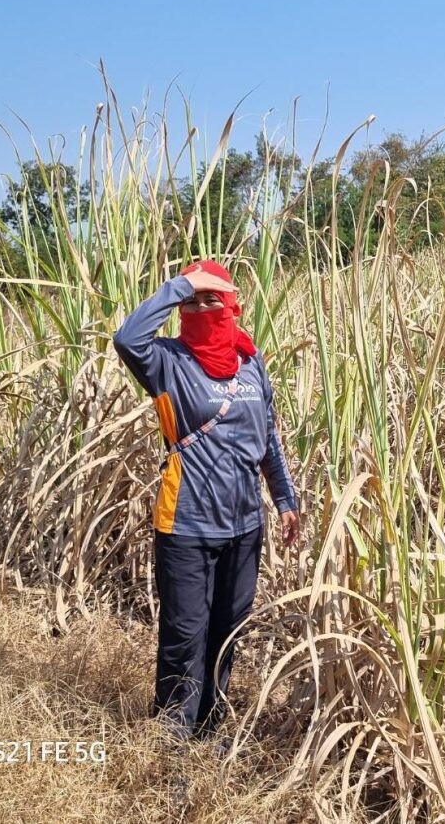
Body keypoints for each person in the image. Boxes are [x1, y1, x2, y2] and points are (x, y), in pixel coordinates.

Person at [113, 259, 301, 741]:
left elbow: (268, 438)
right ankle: (170, 740)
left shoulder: (250, 362)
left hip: (244, 527)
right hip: (186, 525)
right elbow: (126, 339)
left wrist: (284, 497)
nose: (200, 308)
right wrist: (183, 285)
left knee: (225, 634)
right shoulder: (167, 362)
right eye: (191, 302)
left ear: (232, 305)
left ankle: (209, 729)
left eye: (211, 299)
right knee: (184, 639)